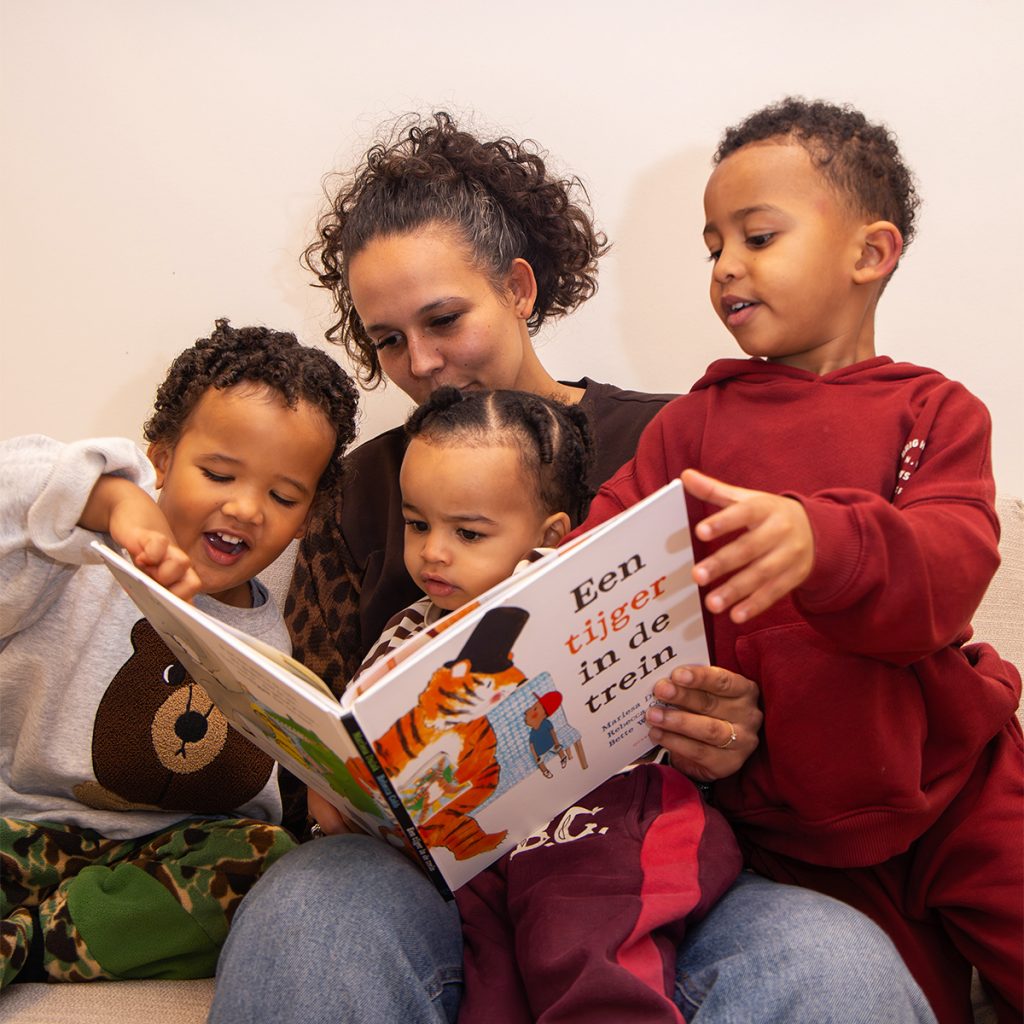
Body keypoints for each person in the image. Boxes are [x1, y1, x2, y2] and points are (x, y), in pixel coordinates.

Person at [208, 112, 937, 1024]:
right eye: (387, 339)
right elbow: (315, 735)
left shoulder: (677, 441)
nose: (421, 365)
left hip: (647, 865)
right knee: (308, 908)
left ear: (517, 288)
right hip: (428, 890)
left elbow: (797, 666)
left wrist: (740, 732)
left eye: (444, 319)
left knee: (836, 959)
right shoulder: (357, 493)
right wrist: (331, 788)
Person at [571, 97, 1023, 1023]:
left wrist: (825, 542)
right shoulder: (686, 430)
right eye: (713, 248)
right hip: (789, 827)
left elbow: (950, 567)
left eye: (758, 236)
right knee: (889, 999)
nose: (726, 266)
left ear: (871, 253)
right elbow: (595, 572)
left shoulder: (935, 411)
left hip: (960, 786)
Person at [340, 385, 742, 1024]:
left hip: (601, 834)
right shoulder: (406, 633)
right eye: (417, 524)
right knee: (491, 981)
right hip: (474, 857)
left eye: (468, 532)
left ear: (548, 536)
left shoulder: (592, 606)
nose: (433, 551)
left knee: (585, 940)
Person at [0, 320, 358, 987]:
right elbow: (12, 484)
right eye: (219, 474)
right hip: (20, 830)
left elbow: (247, 809)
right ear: (161, 458)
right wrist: (113, 499)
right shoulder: (74, 555)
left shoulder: (271, 646)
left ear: (307, 518)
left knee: (265, 862)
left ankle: (32, 939)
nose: (246, 508)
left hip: (153, 862)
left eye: (283, 496)